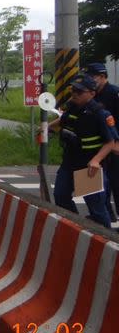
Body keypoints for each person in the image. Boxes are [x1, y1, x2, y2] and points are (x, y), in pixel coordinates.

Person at [47, 74, 118, 229]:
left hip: (88, 167)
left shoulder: (100, 114)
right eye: (73, 90)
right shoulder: (72, 107)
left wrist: (96, 160)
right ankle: (76, 227)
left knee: (96, 208)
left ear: (92, 94)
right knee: (61, 196)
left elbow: (110, 142)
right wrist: (48, 127)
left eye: (79, 92)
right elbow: (63, 119)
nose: (74, 94)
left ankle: (106, 239)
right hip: (69, 162)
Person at [84, 62, 119, 222]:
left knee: (116, 185)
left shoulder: (114, 93)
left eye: (92, 76)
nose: (89, 80)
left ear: (103, 76)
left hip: (115, 147)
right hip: (100, 148)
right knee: (99, 187)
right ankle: (105, 218)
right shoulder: (92, 95)